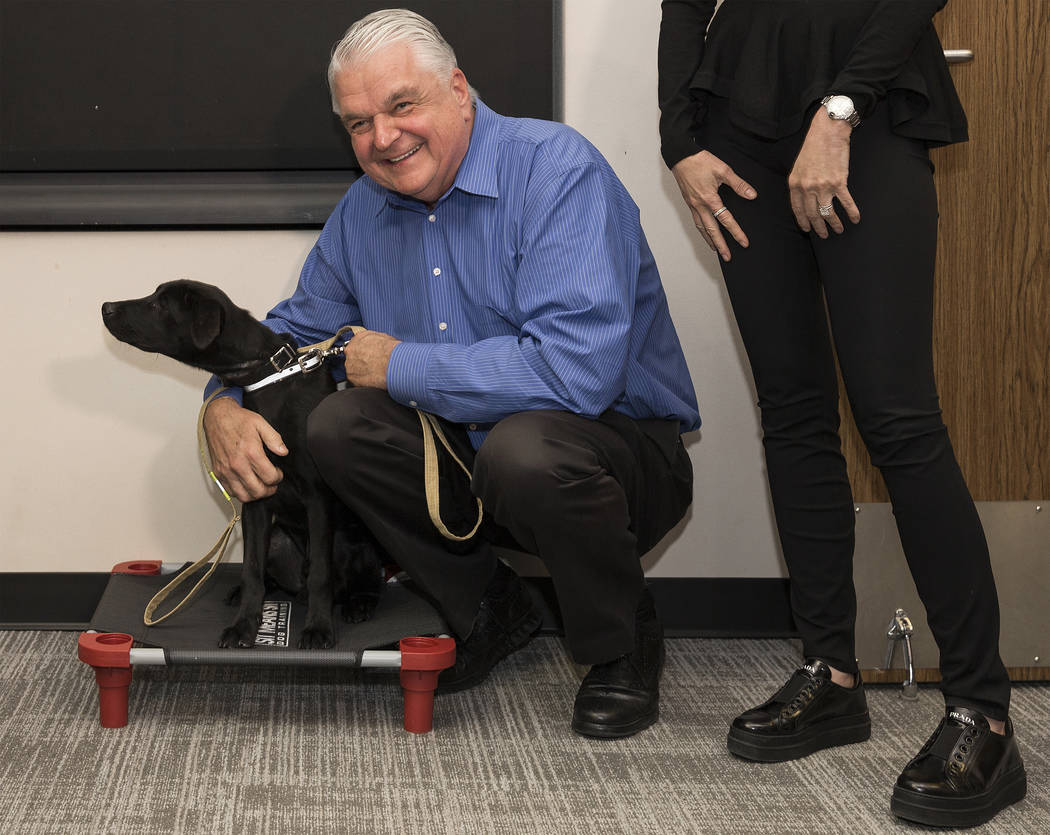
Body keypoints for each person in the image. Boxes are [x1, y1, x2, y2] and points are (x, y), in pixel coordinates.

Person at [204, 8, 699, 739]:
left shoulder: (556, 170)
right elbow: (292, 336)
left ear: (459, 90)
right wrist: (222, 401)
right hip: (469, 468)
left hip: (612, 458)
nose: (382, 138)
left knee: (524, 448)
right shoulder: (362, 212)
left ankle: (621, 642)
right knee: (332, 422)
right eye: (358, 123)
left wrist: (399, 364)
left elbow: (577, 374)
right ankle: (490, 608)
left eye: (402, 104)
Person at [659, 0, 1025, 827]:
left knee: (898, 416)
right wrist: (679, 138)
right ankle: (831, 674)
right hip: (737, 116)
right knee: (791, 410)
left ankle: (984, 713)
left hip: (868, 100)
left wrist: (842, 106)